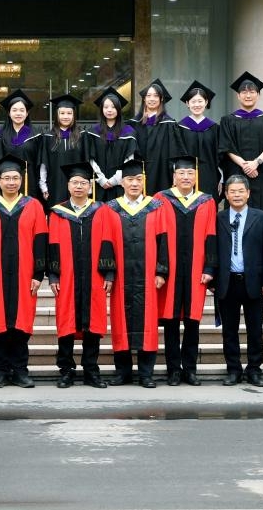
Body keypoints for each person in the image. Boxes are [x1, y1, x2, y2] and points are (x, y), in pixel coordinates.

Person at [0, 157, 47, 388]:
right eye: (7, 178)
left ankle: (21, 370)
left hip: (25, 274)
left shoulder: (33, 205)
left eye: (15, 178)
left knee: (22, 322)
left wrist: (38, 274)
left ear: (21, 180)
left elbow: (41, 241)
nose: (11, 182)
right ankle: (1, 371)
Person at [46, 162, 117, 389]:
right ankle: (66, 370)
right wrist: (54, 276)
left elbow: (107, 241)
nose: (79, 186)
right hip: (67, 277)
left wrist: (108, 273)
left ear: (90, 186)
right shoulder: (57, 213)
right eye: (75, 182)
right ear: (68, 186)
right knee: (66, 322)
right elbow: (52, 246)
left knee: (93, 324)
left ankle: (91, 370)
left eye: (83, 183)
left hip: (94, 277)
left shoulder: (101, 211)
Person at [100, 160, 167, 388]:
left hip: (148, 276)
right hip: (121, 277)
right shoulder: (111, 208)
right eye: (130, 179)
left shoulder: (156, 206)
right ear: (122, 183)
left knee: (148, 324)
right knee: (121, 323)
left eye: (139, 179)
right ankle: (123, 373)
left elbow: (164, 240)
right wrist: (109, 274)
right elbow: (106, 243)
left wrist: (161, 271)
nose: (135, 183)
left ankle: (146, 374)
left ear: (144, 181)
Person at [157, 154, 218, 386]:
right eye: (181, 173)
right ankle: (173, 370)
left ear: (196, 177)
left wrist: (210, 267)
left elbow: (211, 236)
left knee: (193, 321)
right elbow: (158, 236)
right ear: (174, 177)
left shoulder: (206, 201)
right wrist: (160, 269)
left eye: (190, 173)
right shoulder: (161, 199)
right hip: (170, 270)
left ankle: (190, 369)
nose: (185, 177)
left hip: (195, 270)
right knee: (170, 321)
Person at [211, 175, 263, 387]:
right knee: (229, 330)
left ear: (248, 193)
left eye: (241, 191)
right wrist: (212, 278)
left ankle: (254, 370)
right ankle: (233, 370)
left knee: (254, 330)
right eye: (233, 191)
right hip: (227, 281)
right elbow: (212, 249)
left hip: (253, 281)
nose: (237, 195)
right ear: (226, 194)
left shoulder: (262, 217)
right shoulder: (219, 218)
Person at [218, 72, 263, 213]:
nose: (248, 95)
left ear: (258, 95)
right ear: (238, 95)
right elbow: (226, 146)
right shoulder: (228, 120)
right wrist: (245, 165)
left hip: (261, 171)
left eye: (252, 92)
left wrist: (256, 163)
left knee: (262, 211)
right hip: (236, 170)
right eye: (244, 92)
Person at [86, 87, 138, 203]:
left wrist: (115, 179)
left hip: (120, 184)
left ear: (119, 109)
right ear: (101, 109)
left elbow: (129, 159)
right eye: (106, 107)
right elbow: (90, 158)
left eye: (113, 107)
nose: (109, 110)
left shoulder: (128, 132)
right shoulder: (93, 132)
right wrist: (100, 179)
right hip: (99, 185)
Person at [175, 80, 221, 201]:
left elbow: (220, 155)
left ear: (206, 102)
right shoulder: (179, 127)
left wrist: (221, 178)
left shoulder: (214, 128)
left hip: (209, 176)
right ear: (187, 103)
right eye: (193, 101)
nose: (197, 105)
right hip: (186, 177)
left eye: (200, 101)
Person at [0, 89, 42, 197]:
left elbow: (39, 161)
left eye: (22, 110)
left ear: (27, 113)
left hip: (29, 181)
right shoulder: (0, 135)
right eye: (14, 110)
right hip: (7, 181)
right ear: (9, 113)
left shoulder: (36, 135)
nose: (18, 113)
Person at [40, 93, 85, 206]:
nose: (66, 116)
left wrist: (88, 186)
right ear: (57, 115)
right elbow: (44, 163)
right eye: (62, 113)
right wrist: (43, 185)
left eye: (69, 113)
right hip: (54, 185)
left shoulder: (82, 136)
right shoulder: (48, 137)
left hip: (77, 186)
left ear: (74, 115)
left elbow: (87, 161)